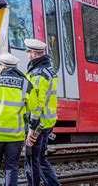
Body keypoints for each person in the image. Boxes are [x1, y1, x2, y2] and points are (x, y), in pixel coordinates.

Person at [0, 52, 40, 186]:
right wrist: (29, 122)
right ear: (15, 66)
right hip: (14, 136)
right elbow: (34, 108)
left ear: (1, 66)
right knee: (12, 168)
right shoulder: (25, 84)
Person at [24, 39, 61, 186]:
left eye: (28, 52)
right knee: (40, 158)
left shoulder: (39, 74)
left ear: (33, 53)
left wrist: (32, 129)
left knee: (31, 158)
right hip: (47, 121)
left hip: (39, 123)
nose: (27, 54)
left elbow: (38, 105)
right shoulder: (48, 70)